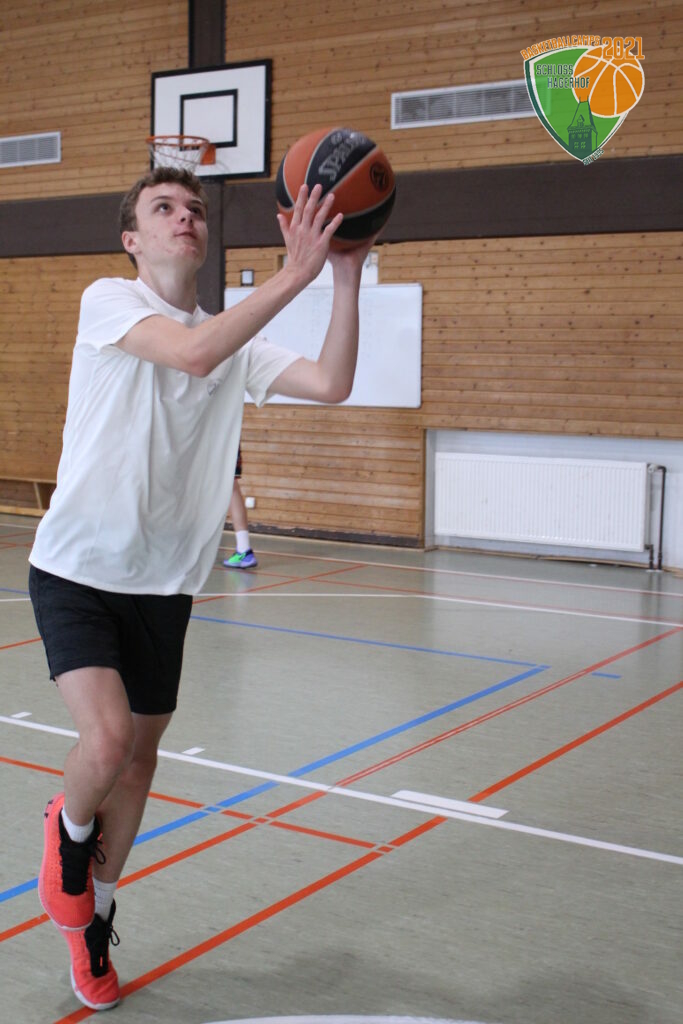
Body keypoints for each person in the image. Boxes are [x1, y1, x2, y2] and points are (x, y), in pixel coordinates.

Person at [28, 165, 373, 1011]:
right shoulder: (109, 300)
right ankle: (68, 834)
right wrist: (294, 273)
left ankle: (96, 914)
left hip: (165, 583)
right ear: (133, 239)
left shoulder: (233, 341)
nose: (184, 217)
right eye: (163, 208)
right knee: (107, 742)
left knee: (140, 762)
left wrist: (343, 272)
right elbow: (190, 352)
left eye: (193, 208)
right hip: (76, 568)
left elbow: (332, 382)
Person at [224, 445, 258, 569]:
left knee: (231, 487)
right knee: (232, 487)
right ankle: (244, 549)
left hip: (215, 441)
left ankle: (244, 550)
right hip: (230, 441)